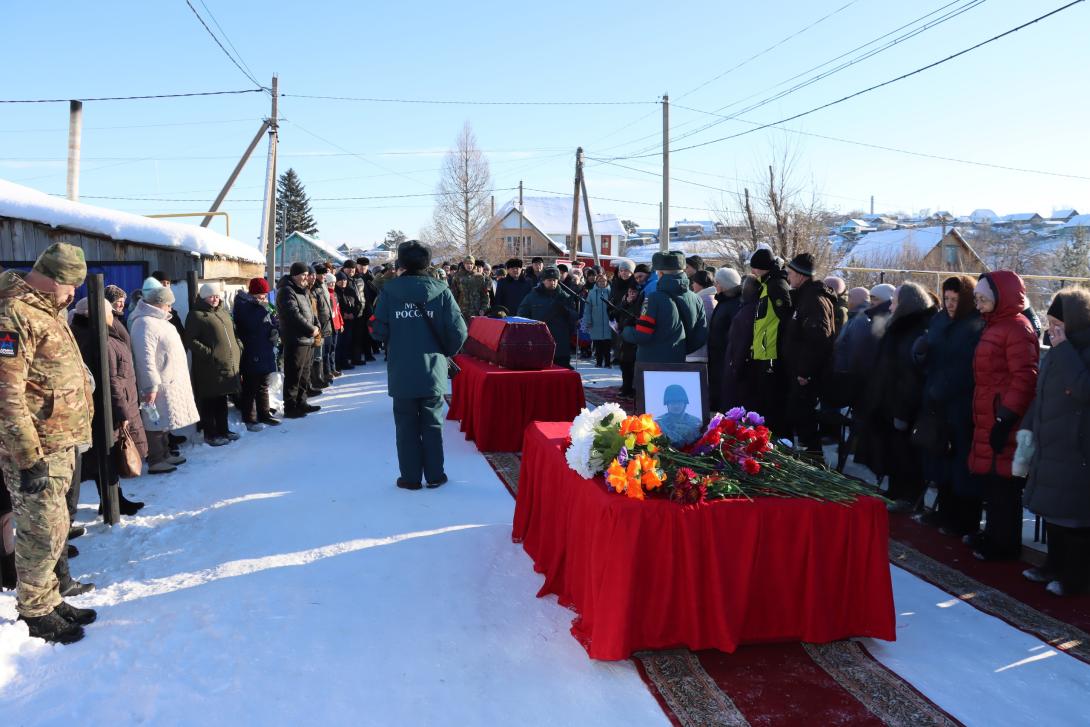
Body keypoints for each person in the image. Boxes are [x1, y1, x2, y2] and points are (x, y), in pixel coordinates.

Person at [0, 242, 96, 643]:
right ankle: (35, 612)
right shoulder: (14, 313)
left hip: (60, 443)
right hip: (36, 450)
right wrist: (27, 457)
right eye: (71, 286)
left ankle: (49, 598)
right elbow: (7, 394)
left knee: (56, 528)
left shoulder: (47, 311)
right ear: (54, 279)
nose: (73, 295)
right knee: (39, 531)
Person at [372, 241, 468, 490]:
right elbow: (459, 331)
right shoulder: (442, 290)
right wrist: (444, 352)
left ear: (402, 262)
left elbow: (377, 330)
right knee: (433, 424)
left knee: (406, 425)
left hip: (401, 369)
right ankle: (435, 475)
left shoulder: (389, 291)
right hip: (432, 368)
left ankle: (410, 478)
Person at [1021, 288, 1090, 595]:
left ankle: (1074, 577)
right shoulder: (1060, 348)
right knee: (1053, 510)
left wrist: (1062, 350)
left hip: (1077, 445)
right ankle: (1053, 564)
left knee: (1073, 517)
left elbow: (1083, 389)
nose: (1051, 330)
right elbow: (1043, 392)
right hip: (1052, 440)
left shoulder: (1073, 350)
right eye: (1049, 324)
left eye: (1057, 324)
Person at [968, 271, 1039, 561]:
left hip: (1005, 418)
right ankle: (994, 534)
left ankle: (1004, 544)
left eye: (983, 298)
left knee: (1005, 486)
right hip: (990, 413)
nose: (978, 304)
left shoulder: (1017, 328)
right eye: (977, 298)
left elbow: (1025, 377)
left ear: (1001, 297)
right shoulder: (995, 325)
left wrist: (1005, 417)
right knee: (994, 483)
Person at [853, 283, 937, 510]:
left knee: (906, 454)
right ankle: (896, 490)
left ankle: (908, 497)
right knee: (893, 451)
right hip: (889, 401)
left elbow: (910, 376)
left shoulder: (916, 331)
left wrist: (902, 410)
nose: (891, 306)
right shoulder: (898, 327)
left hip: (904, 406)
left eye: (895, 302)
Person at [913, 276, 985, 535]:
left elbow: (968, 367)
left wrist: (942, 387)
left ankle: (963, 519)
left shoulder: (975, 324)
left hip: (960, 404)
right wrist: (919, 353)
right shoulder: (940, 320)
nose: (950, 304)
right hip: (936, 401)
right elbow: (930, 355)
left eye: (955, 299)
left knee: (960, 463)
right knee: (939, 457)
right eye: (946, 299)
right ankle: (943, 511)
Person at [69, 296, 150, 517]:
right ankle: (112, 502)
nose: (113, 316)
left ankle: (112, 499)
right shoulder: (96, 339)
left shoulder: (90, 333)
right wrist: (122, 412)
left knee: (103, 456)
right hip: (109, 408)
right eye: (109, 312)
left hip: (107, 405)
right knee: (107, 454)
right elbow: (111, 381)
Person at [130, 286, 201, 474]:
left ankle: (165, 453)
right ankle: (155, 459)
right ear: (158, 304)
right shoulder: (144, 323)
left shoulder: (159, 321)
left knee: (164, 420)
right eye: (168, 304)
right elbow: (145, 359)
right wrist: (150, 386)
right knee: (153, 420)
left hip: (168, 380)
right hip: (156, 384)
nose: (170, 308)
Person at [782, 253, 837, 453]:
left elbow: (818, 339)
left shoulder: (814, 301)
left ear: (801, 275)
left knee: (805, 422)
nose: (788, 277)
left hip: (806, 377)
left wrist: (805, 372)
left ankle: (813, 461)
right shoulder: (805, 297)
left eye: (790, 273)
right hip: (800, 373)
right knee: (800, 419)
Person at [623, 251, 709, 364]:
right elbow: (701, 335)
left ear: (660, 273)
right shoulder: (696, 298)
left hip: (652, 364)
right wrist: (679, 350)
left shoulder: (653, 299)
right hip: (680, 362)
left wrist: (626, 330)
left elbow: (643, 335)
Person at [185, 283, 242, 447]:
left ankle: (224, 430)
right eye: (211, 296)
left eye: (217, 296)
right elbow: (190, 340)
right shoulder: (196, 315)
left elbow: (233, 333)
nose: (215, 299)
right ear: (203, 297)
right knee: (209, 401)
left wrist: (238, 346)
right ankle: (210, 434)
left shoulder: (222, 312)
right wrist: (209, 353)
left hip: (225, 364)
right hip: (208, 366)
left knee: (221, 399)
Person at [747, 248, 793, 433]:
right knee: (764, 400)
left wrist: (781, 347)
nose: (752, 271)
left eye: (754, 267)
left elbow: (786, 318)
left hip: (772, 353)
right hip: (764, 351)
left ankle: (777, 437)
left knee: (772, 401)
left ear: (761, 268)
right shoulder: (766, 284)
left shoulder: (776, 285)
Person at [233, 278, 280, 431]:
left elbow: (272, 322)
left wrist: (274, 330)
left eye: (265, 295)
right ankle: (250, 418)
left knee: (263, 385)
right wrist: (263, 309)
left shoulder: (262, 306)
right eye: (261, 295)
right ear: (253, 293)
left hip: (264, 350)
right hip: (252, 351)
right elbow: (250, 324)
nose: (263, 298)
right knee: (250, 388)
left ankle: (264, 414)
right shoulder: (243, 305)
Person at [277, 263, 321, 419]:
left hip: (307, 338)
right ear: (294, 275)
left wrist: (316, 325)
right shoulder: (286, 291)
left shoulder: (303, 290)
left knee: (304, 374)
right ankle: (290, 407)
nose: (306, 278)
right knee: (294, 375)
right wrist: (310, 329)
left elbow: (311, 312)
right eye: (303, 274)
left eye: (307, 274)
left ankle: (302, 403)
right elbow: (292, 315)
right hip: (295, 339)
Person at [518, 267, 581, 368]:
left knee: (562, 372)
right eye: (549, 280)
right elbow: (522, 316)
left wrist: (566, 311)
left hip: (561, 345)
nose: (553, 282)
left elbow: (575, 317)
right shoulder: (532, 296)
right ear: (543, 280)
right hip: (539, 343)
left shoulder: (565, 297)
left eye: (555, 280)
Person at [722, 275, 761, 411]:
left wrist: (735, 367)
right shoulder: (753, 308)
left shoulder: (747, 312)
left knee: (736, 407)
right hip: (745, 365)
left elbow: (742, 342)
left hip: (741, 368)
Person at [707, 267, 743, 411]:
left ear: (723, 284)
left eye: (716, 282)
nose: (715, 285)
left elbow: (735, 333)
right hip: (719, 356)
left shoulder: (733, 304)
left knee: (725, 396)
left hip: (725, 357)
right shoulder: (725, 301)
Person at [582, 272, 614, 368]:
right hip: (596, 322)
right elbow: (587, 309)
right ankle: (599, 362)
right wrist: (588, 321)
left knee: (607, 344)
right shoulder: (591, 293)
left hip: (608, 323)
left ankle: (607, 362)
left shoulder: (611, 292)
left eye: (604, 280)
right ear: (596, 282)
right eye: (600, 281)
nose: (602, 282)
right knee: (598, 344)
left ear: (607, 281)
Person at [686, 270, 717, 364]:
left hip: (699, 352)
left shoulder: (703, 300)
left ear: (700, 283)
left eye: (694, 282)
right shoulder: (713, 297)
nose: (692, 285)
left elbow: (702, 326)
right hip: (708, 350)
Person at [452, 255, 489, 323]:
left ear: (474, 264)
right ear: (464, 264)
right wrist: (455, 310)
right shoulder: (457, 277)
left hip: (477, 312)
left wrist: (483, 309)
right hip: (462, 313)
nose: (469, 265)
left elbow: (485, 295)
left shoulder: (479, 277)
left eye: (471, 263)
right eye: (467, 263)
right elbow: (453, 296)